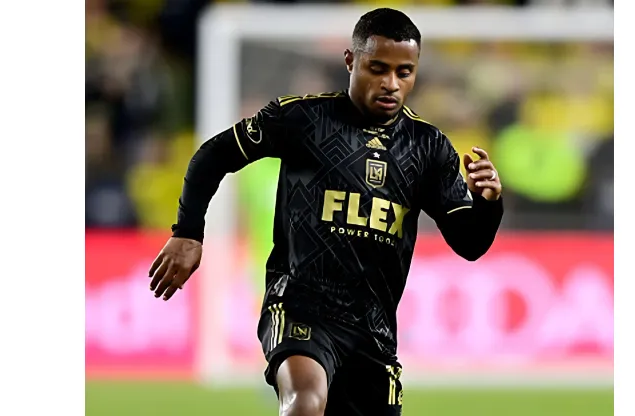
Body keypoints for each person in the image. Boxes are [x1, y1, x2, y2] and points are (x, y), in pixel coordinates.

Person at [148, 8, 503, 416]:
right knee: (304, 403)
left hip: (374, 331)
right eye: (377, 68)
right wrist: (188, 232)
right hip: (300, 303)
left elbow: (470, 243)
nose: (391, 83)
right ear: (351, 61)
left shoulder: (428, 147)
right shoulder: (305, 119)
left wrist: (489, 202)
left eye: (404, 72)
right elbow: (214, 154)